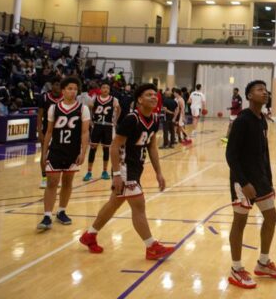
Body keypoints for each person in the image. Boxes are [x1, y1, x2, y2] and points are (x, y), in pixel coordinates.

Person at [78, 83, 175, 261]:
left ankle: (89, 235)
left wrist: (158, 173)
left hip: (136, 167)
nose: (154, 97)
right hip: (124, 168)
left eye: (155, 94)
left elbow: (152, 147)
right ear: (139, 100)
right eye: (149, 94)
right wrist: (116, 175)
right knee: (139, 206)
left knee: (114, 204)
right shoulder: (131, 119)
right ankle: (151, 246)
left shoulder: (154, 119)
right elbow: (114, 147)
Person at [225, 80, 276, 289]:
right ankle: (236, 268)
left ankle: (263, 263)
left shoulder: (262, 120)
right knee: (240, 222)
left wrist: (268, 181)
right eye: (260, 90)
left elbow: (264, 154)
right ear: (249, 95)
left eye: (266, 90)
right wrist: (243, 182)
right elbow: (231, 155)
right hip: (242, 180)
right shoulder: (242, 120)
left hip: (260, 179)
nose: (265, 92)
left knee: (272, 216)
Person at [37, 76, 90, 231]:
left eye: (75, 89)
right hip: (56, 149)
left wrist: (83, 152)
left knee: (68, 182)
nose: (73, 92)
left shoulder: (83, 109)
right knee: (52, 182)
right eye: (69, 88)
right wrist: (44, 152)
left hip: (72, 150)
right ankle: (47, 215)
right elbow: (49, 131)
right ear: (63, 90)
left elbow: (85, 133)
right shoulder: (54, 108)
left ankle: (61, 211)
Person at [84, 83, 120, 181]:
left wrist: (115, 120)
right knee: (93, 148)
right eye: (103, 87)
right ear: (100, 89)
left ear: (109, 90)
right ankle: (89, 172)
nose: (105, 89)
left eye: (107, 88)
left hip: (108, 126)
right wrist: (91, 119)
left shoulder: (114, 100)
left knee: (106, 149)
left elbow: (119, 109)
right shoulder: (95, 99)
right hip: (97, 125)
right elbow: (89, 108)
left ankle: (104, 171)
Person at [37, 80, 62, 188]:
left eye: (60, 85)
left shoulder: (65, 98)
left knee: (59, 156)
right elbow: (39, 115)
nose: (58, 87)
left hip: (60, 131)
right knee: (44, 154)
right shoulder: (44, 97)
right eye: (56, 84)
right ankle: (44, 178)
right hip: (47, 130)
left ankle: (57, 178)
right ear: (52, 86)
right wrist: (39, 132)